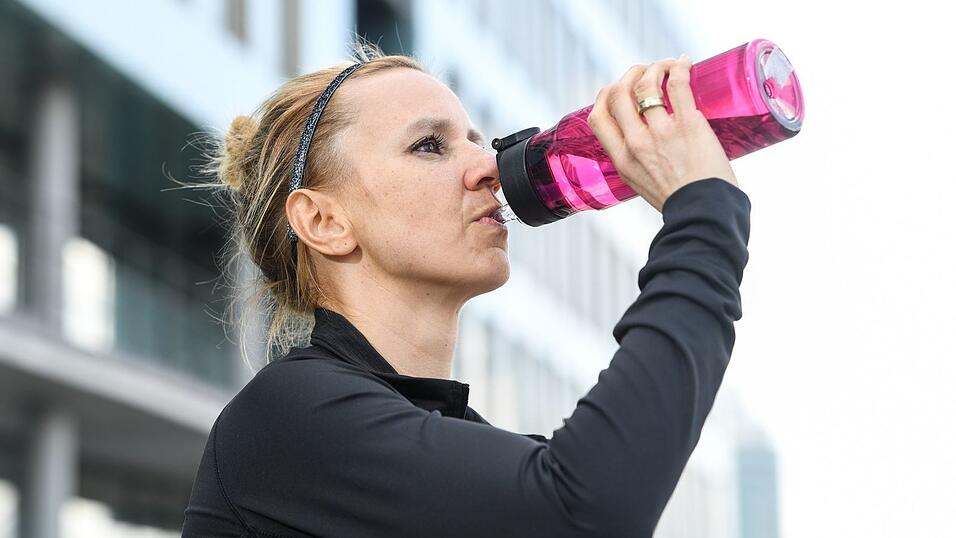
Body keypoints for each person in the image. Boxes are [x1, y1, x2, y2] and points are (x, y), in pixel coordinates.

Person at [181, 41, 751, 537]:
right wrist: (701, 212)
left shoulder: (459, 444)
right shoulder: (285, 417)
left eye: (477, 142)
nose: (490, 167)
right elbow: (585, 510)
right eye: (430, 144)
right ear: (324, 222)